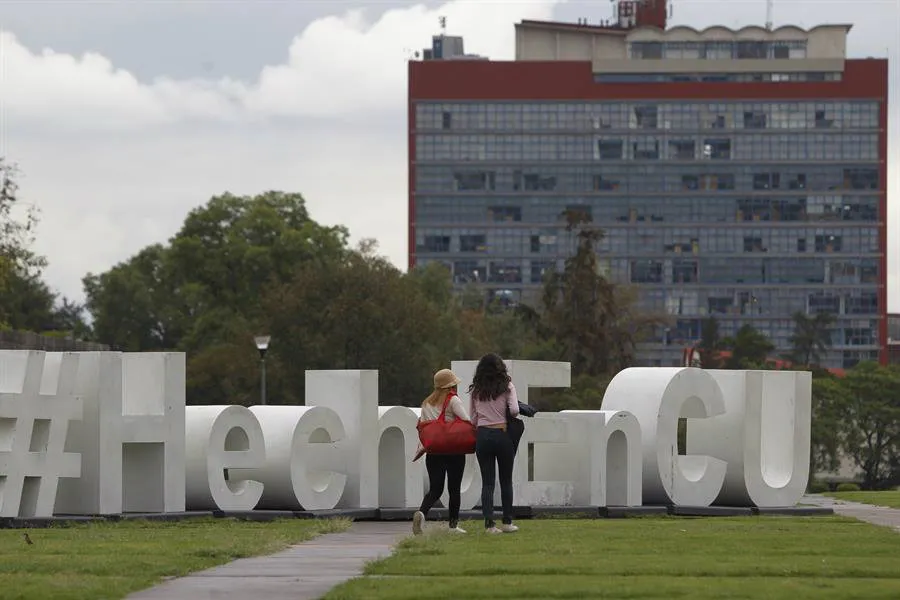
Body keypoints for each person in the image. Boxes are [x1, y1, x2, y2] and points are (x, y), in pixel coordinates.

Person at [412, 368, 471, 535]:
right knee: (454, 489)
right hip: (453, 451)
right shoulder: (453, 400)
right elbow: (466, 420)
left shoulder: (426, 403)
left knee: (435, 489)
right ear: (450, 386)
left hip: (433, 452)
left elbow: (424, 427)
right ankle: (453, 526)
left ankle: (421, 513)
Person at [469, 353, 519, 534]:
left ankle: (489, 524)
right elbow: (514, 411)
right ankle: (507, 522)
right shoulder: (507, 386)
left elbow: (472, 418)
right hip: (502, 434)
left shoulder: (476, 389)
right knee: (506, 481)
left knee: (487, 483)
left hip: (483, 436)